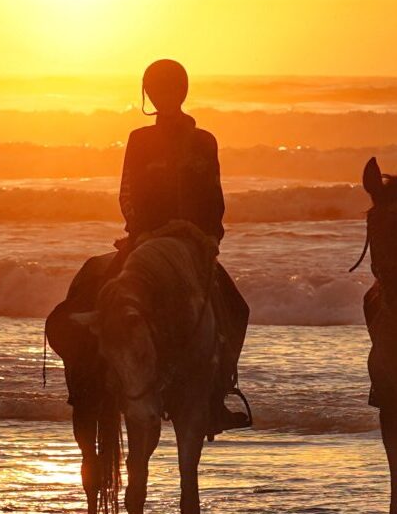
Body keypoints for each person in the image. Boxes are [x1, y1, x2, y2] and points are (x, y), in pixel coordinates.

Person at [47, 59, 252, 434]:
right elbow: (127, 192)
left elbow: (215, 196)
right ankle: (89, 378)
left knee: (237, 308)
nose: (164, 96)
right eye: (158, 90)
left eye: (170, 89)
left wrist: (209, 237)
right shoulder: (140, 139)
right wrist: (140, 232)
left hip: (192, 245)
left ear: (182, 92)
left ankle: (218, 393)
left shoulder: (204, 141)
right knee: (98, 294)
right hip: (144, 240)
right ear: (150, 95)